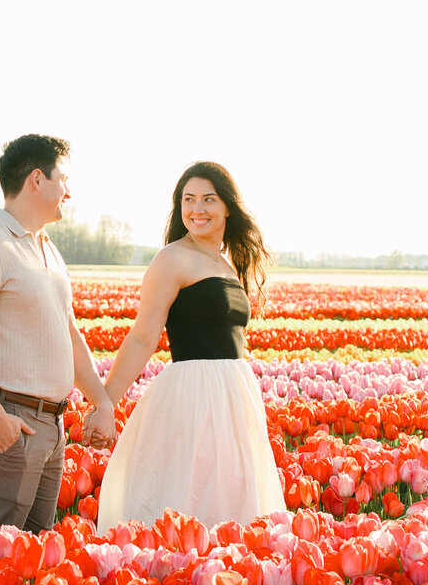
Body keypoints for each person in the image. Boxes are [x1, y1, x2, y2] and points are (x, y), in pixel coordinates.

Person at [91, 161, 286, 532]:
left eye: (209, 199)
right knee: (193, 495)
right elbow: (143, 336)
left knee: (232, 494)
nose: (197, 210)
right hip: (194, 396)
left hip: (234, 395)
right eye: (189, 200)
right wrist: (105, 403)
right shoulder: (172, 258)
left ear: (228, 206)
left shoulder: (227, 263)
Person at [0, 134, 116, 532]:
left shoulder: (46, 248)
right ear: (37, 179)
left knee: (34, 558)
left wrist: (101, 401)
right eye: (63, 180)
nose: (69, 192)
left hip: (49, 426)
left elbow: (68, 334)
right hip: (8, 421)